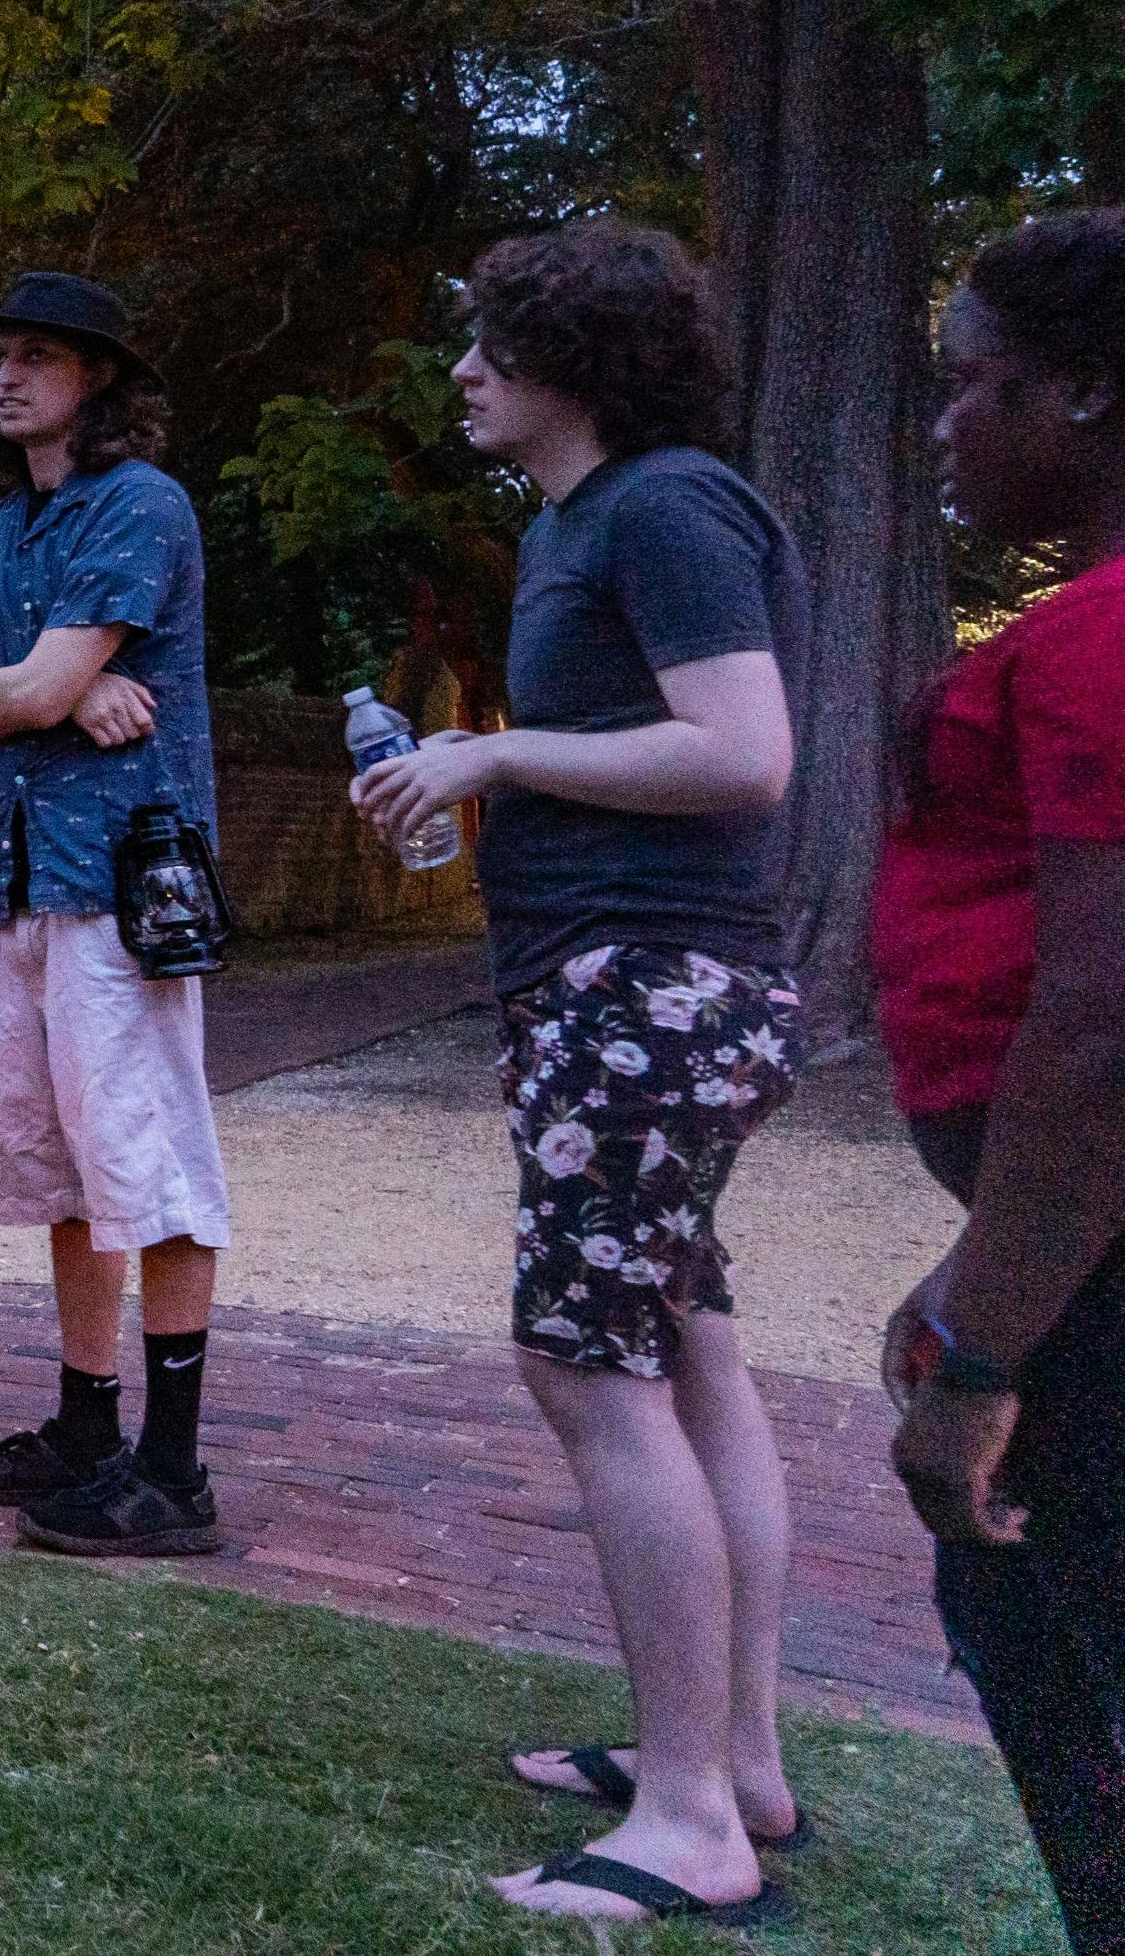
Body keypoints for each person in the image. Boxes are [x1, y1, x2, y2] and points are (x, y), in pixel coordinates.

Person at [348, 222, 806, 1929]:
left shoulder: (665, 505)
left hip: (646, 997)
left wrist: (496, 751)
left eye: (488, 344)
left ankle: (689, 1818)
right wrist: (477, 776)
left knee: (588, 1371)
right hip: (645, 993)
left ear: (574, 363)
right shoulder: (593, 522)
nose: (461, 370)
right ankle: (730, 1758)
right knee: (686, 1362)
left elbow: (743, 754)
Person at [867, 211, 1125, 1953]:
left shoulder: (1106, 637)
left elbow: (1103, 1028)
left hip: (1096, 1298)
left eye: (976, 385)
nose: (946, 421)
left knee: (1037, 1589)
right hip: (1070, 1261)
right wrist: (977, 1267)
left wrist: (986, 1353)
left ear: (1090, 390)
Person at [0, 271, 233, 1558]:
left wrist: (13, 689)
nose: (7, 375)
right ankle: (85, 1427)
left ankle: (175, 1466)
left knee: (150, 1170)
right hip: (10, 878)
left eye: (37, 355)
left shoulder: (139, 505)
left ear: (95, 377)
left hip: (119, 883)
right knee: (56, 1170)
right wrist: (21, 693)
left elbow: (0, 693)